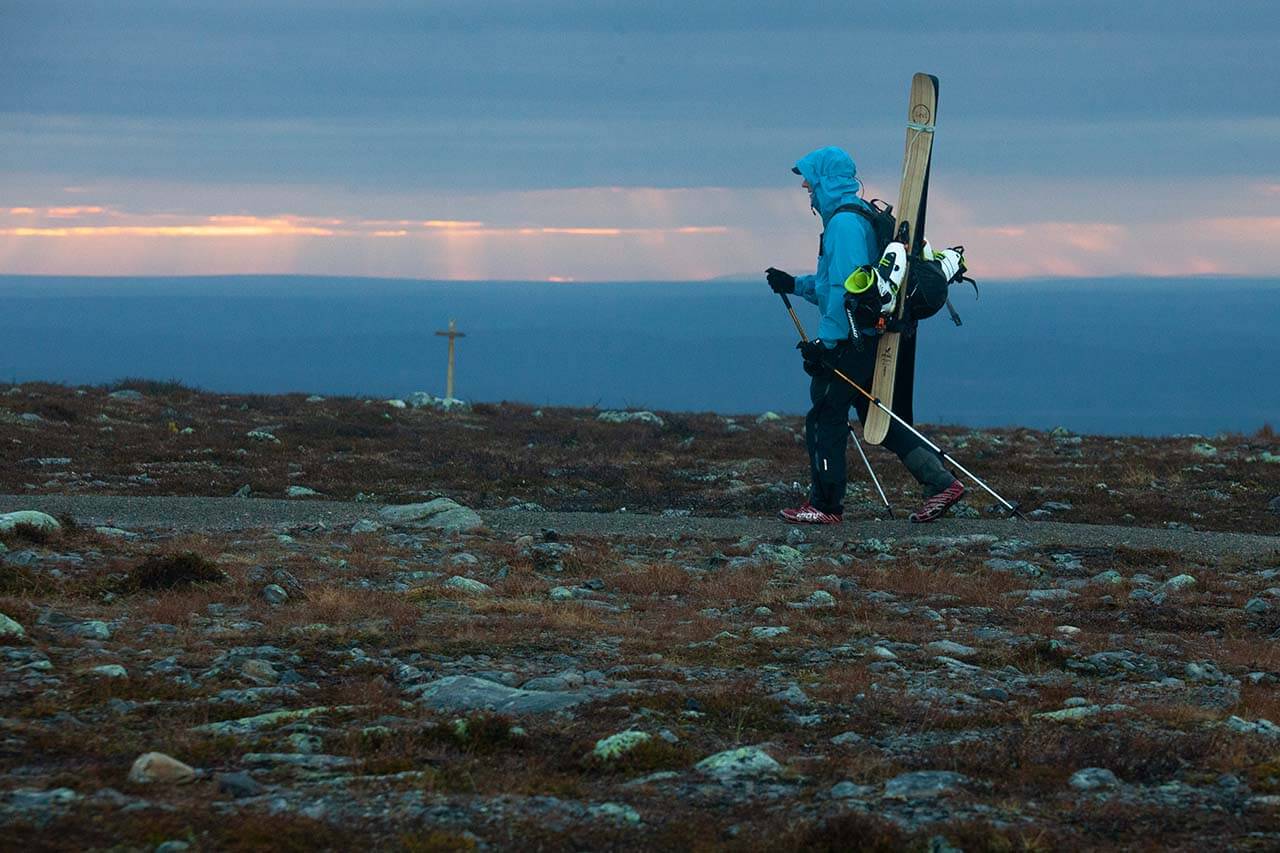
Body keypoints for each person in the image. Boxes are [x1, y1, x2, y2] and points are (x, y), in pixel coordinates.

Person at [766, 146, 966, 524]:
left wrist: (825, 346)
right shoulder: (857, 216)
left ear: (826, 179)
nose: (805, 185)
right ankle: (941, 483)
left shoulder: (842, 226)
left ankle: (824, 507)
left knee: (825, 415)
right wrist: (794, 284)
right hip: (870, 336)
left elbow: (845, 292)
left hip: (849, 341)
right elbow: (833, 285)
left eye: (809, 177)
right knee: (879, 418)